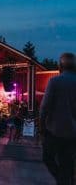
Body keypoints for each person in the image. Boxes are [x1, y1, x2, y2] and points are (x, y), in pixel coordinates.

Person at [40, 53, 76, 185]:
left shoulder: (55, 81)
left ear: (60, 66)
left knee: (47, 157)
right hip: (73, 134)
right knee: (67, 163)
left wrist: (42, 129)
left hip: (55, 132)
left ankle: (62, 180)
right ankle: (65, 179)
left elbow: (44, 108)